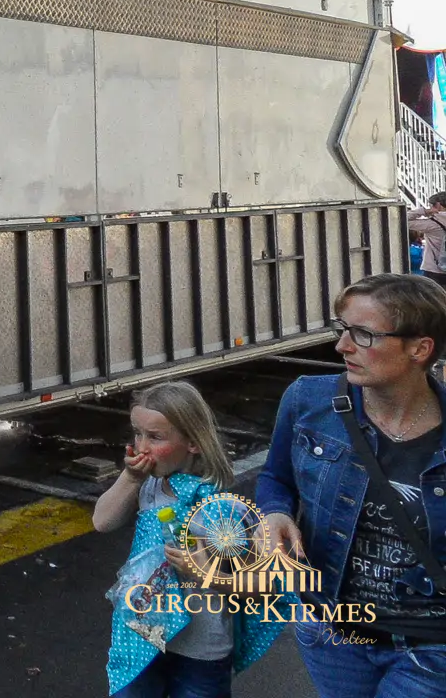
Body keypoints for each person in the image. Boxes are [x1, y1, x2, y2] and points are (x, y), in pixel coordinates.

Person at [258, 273, 446, 693]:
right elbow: (275, 477)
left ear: (420, 349)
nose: (342, 346)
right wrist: (273, 513)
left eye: (363, 334)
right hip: (330, 632)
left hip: (431, 647)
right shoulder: (308, 400)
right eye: (342, 329)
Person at [95, 381, 280, 696]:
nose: (141, 447)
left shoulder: (219, 509)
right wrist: (130, 477)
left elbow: (261, 586)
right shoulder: (150, 486)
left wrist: (204, 573)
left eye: (155, 437)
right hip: (143, 635)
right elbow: (102, 521)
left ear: (193, 442)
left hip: (200, 650)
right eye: (137, 434)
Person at [407, 195, 446, 287]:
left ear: (438, 205)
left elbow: (402, 218)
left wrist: (424, 211)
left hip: (435, 269)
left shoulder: (433, 224)